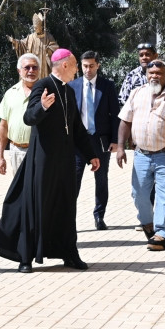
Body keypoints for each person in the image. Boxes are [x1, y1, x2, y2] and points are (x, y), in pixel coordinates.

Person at [0, 49, 100, 273]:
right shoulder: (43, 86)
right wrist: (43, 106)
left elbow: (77, 128)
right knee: (36, 206)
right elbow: (29, 118)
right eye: (76, 64)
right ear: (65, 65)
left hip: (65, 160)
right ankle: (26, 257)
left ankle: (69, 253)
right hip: (43, 160)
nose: (78, 68)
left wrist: (91, 154)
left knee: (66, 207)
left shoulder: (68, 91)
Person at [116, 60, 165, 251]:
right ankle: (147, 223)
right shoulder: (137, 93)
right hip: (141, 154)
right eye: (151, 73)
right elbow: (125, 120)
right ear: (146, 74)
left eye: (159, 73)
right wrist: (120, 147)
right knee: (138, 194)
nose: (154, 76)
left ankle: (163, 234)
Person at [118, 42, 165, 227]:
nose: (144, 57)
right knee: (140, 189)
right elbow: (125, 109)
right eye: (141, 55)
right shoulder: (132, 77)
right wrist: (125, 141)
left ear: (156, 54)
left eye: (148, 54)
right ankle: (148, 220)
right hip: (141, 145)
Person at [69, 51, 120, 230]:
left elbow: (115, 115)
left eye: (91, 66)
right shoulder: (71, 86)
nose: (88, 69)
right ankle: (69, 219)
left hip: (100, 141)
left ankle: (99, 216)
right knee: (73, 180)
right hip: (78, 143)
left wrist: (115, 140)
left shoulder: (107, 86)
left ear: (98, 65)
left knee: (101, 179)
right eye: (84, 66)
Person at [0, 53, 40, 177]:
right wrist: (0, 156)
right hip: (16, 151)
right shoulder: (10, 94)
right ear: (19, 70)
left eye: (35, 67)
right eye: (27, 67)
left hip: (39, 151)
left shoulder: (46, 92)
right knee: (20, 191)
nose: (31, 71)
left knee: (38, 190)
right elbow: (3, 126)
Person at [8, 11, 59, 79]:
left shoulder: (48, 36)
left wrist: (48, 49)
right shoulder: (30, 37)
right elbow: (22, 44)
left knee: (43, 77)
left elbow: (55, 48)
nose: (35, 29)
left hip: (43, 63)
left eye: (37, 27)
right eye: (34, 27)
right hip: (32, 62)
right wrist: (15, 42)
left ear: (41, 26)